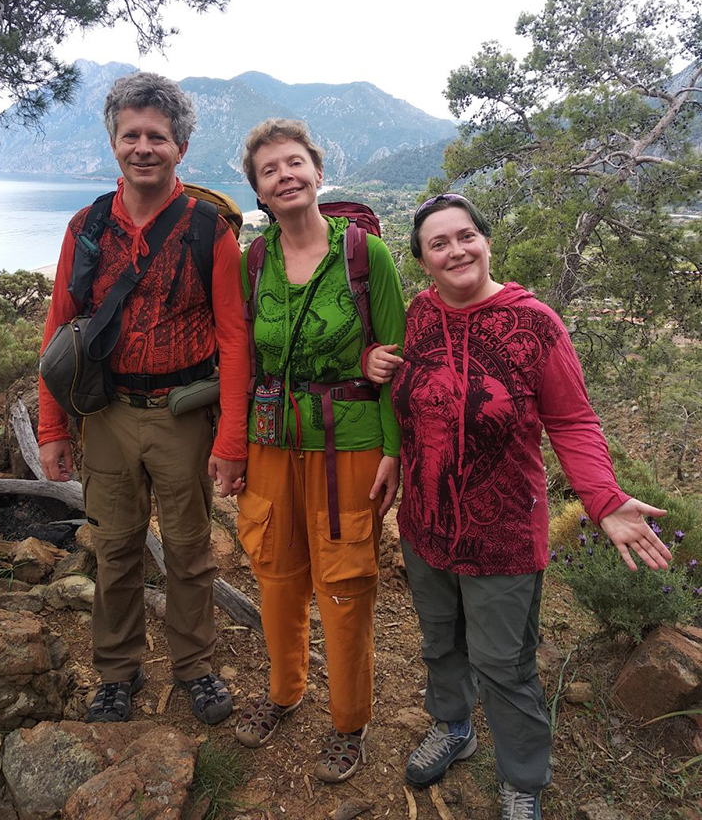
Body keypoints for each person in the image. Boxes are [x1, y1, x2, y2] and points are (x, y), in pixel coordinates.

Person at [364, 193, 672, 819]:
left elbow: (574, 421)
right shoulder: (419, 314)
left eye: (466, 236)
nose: (457, 251)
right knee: (440, 642)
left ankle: (522, 778)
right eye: (439, 243)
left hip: (502, 533)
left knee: (503, 664)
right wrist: (375, 371)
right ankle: (453, 727)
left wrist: (603, 499)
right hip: (424, 522)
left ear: (485, 240)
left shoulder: (535, 324)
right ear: (422, 260)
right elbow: (411, 392)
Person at [38, 72, 250, 727]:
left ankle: (195, 666)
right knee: (115, 548)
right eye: (131, 135)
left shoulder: (208, 229)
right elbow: (59, 326)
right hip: (106, 414)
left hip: (182, 415)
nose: (143, 147)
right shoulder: (88, 226)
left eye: (157, 136)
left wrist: (231, 439)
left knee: (188, 550)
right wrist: (53, 428)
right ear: (114, 143)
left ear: (180, 147)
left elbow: (234, 337)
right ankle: (116, 672)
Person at [234, 119, 405, 782]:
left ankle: (349, 719)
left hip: (351, 442)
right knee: (275, 572)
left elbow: (394, 355)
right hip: (272, 439)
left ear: (316, 170)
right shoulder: (254, 262)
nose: (285, 175)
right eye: (269, 170)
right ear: (259, 192)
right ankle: (283, 690)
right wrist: (234, 445)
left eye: (294, 162)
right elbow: (243, 358)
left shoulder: (365, 255)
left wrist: (393, 448)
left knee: (345, 581)